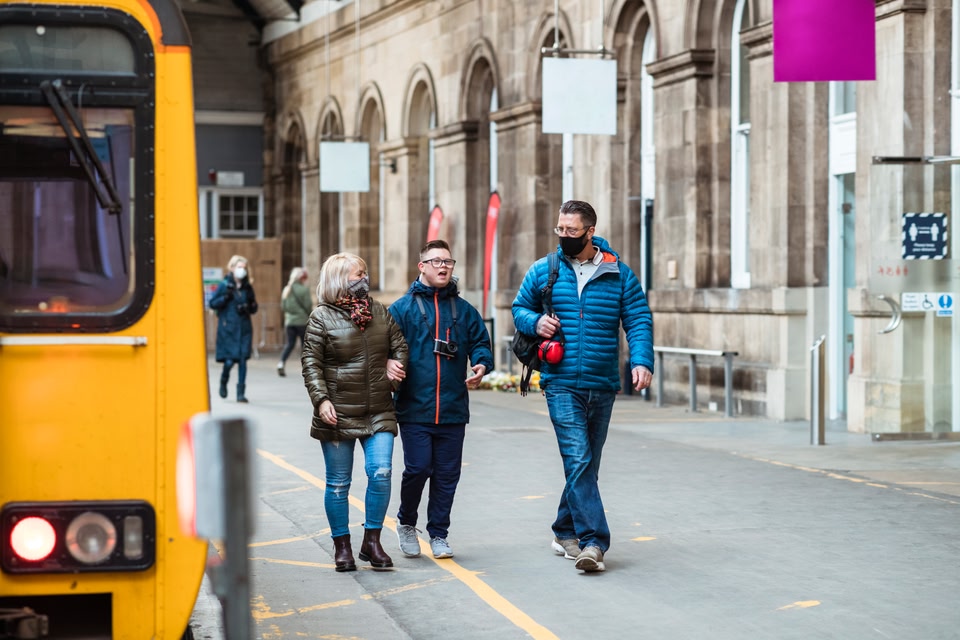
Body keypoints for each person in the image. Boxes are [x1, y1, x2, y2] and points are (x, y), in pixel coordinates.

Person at [512, 200, 653, 573]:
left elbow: (638, 318)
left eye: (571, 231)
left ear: (590, 232)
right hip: (559, 382)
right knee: (578, 459)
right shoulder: (546, 269)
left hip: (602, 381)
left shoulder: (618, 273)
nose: (564, 236)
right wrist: (535, 322)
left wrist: (641, 360)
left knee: (587, 462)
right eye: (560, 229)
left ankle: (563, 529)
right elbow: (519, 308)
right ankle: (593, 541)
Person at [301, 253, 409, 572]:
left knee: (381, 473)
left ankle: (372, 541)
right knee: (338, 483)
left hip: (379, 409)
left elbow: (399, 345)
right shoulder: (321, 317)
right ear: (338, 280)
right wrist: (321, 401)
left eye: (364, 272)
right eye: (356, 274)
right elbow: (311, 364)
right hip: (338, 411)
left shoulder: (378, 311)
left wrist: (394, 365)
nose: (364, 278)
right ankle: (342, 546)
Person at [388, 240, 494, 559]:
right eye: (436, 262)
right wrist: (387, 364)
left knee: (448, 474)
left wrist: (481, 364)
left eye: (448, 262)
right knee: (418, 468)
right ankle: (407, 523)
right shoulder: (401, 309)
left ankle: (439, 533)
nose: (444, 266)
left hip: (452, 409)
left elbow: (481, 343)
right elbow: (383, 348)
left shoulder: (463, 310)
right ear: (421, 266)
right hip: (414, 408)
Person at [209, 254, 259, 403]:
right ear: (231, 268)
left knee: (243, 361)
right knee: (230, 361)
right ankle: (224, 380)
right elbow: (212, 303)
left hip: (244, 328)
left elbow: (254, 306)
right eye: (239, 267)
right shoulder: (224, 285)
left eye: (244, 268)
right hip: (228, 328)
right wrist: (226, 298)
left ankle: (240, 393)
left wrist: (249, 307)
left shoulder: (247, 287)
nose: (241, 271)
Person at [277, 267, 312, 377]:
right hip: (302, 321)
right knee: (304, 345)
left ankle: (281, 363)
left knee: (290, 344)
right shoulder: (304, 289)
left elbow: (283, 306)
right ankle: (306, 368)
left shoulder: (287, 289)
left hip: (290, 322)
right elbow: (308, 305)